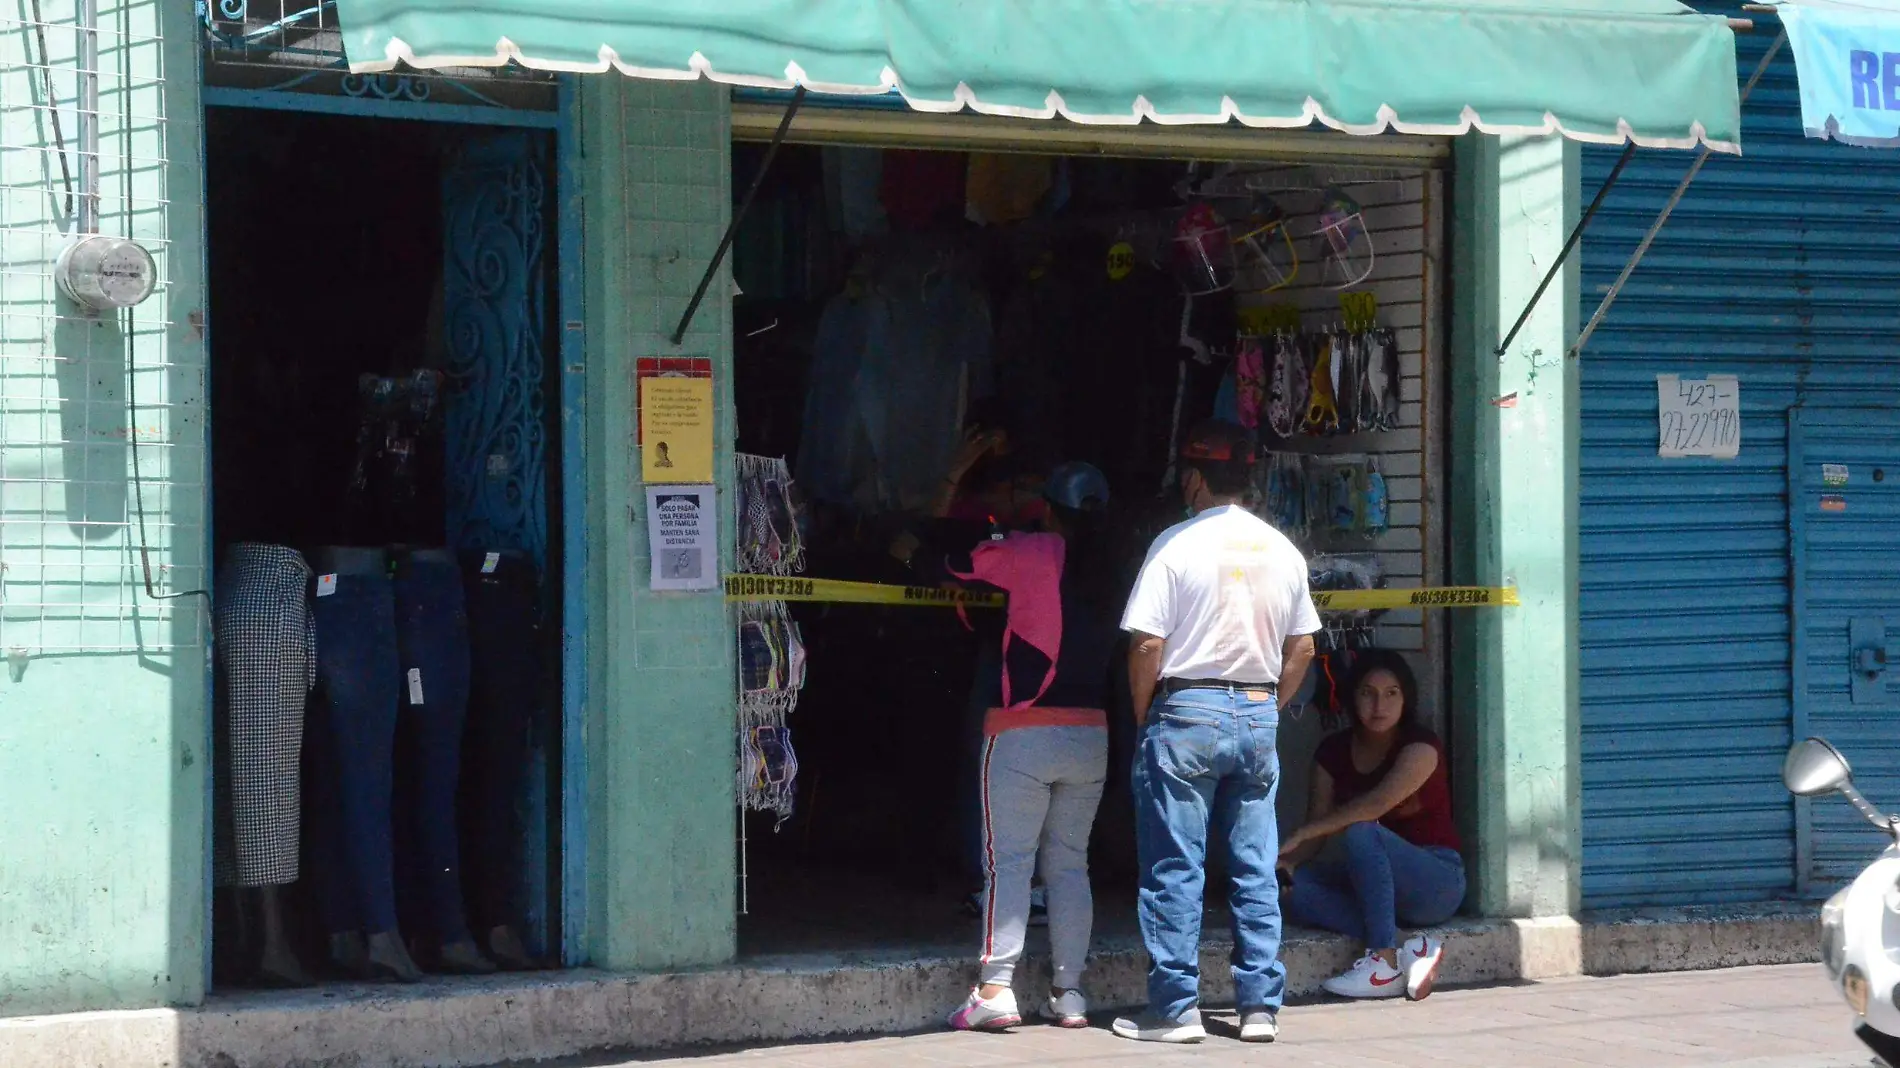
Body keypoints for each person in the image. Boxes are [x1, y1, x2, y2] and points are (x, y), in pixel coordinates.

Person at [1112, 420, 1320, 1045]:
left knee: (1177, 865)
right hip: (1256, 713)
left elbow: (1148, 642)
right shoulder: (1282, 551)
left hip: (1186, 711)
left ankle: (1176, 1011)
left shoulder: (1174, 545)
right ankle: (1260, 1008)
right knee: (1254, 866)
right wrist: (1268, 707)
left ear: (1195, 479)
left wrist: (1145, 712)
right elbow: (1304, 648)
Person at [907, 462, 1119, 1032]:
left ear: (1047, 508)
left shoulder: (1033, 550)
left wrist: (909, 545)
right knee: (1071, 868)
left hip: (1024, 733)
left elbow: (951, 565)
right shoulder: (1116, 566)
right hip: (1090, 734)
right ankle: (1069, 991)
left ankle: (996, 987)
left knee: (1009, 865)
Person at [1278, 649, 1464, 1001]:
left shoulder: (1421, 747)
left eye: (1391, 693)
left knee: (1363, 830)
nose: (1379, 705)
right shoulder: (1332, 751)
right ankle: (1411, 946)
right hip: (1370, 882)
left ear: (1405, 697)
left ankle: (1383, 962)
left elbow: (1375, 805)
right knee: (1290, 889)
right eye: (1368, 693)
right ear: (1352, 697)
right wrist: (1288, 862)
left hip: (1434, 881)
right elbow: (1318, 829)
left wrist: (1305, 832)